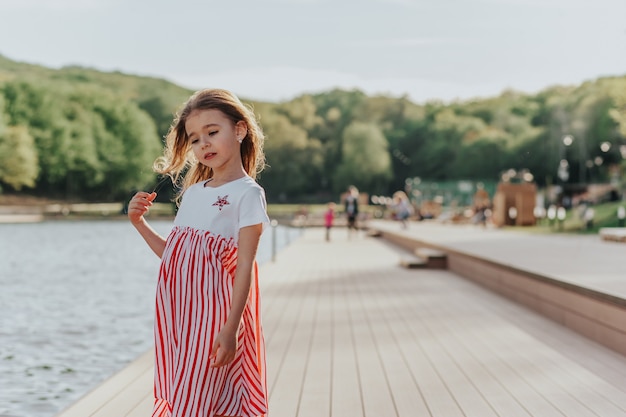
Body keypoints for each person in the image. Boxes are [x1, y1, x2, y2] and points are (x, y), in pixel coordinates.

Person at [127, 88, 269, 417]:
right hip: (180, 315)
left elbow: (245, 267)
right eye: (194, 139)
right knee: (191, 399)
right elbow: (176, 257)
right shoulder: (193, 194)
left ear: (239, 130)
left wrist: (231, 329)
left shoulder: (248, 194)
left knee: (201, 401)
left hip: (216, 317)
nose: (203, 144)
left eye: (212, 132)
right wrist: (139, 223)